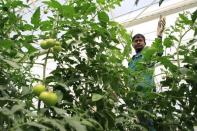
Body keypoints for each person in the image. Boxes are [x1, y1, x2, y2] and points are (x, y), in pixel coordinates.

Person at [128, 16, 166, 131]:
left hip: (146, 94)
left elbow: (158, 52)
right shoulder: (131, 61)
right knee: (139, 123)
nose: (138, 42)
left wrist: (159, 35)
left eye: (140, 40)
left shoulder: (148, 52)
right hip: (134, 95)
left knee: (148, 121)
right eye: (136, 40)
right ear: (133, 44)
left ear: (144, 43)